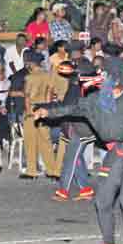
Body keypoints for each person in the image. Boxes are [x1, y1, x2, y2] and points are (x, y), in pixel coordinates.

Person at [34, 57, 123, 244]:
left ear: (117, 77)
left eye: (106, 74)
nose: (102, 78)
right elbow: (70, 108)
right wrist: (46, 111)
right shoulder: (96, 100)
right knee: (102, 200)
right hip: (114, 152)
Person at [42, 61, 96, 201]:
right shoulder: (81, 86)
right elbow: (66, 106)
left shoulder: (80, 88)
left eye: (75, 72)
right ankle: (85, 188)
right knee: (76, 157)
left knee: (70, 158)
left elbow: (68, 107)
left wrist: (49, 109)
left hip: (80, 128)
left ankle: (63, 190)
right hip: (79, 127)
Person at [21, 53, 56, 179]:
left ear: (31, 63)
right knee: (46, 142)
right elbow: (50, 94)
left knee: (30, 142)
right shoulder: (49, 76)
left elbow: (27, 97)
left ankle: (32, 171)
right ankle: (52, 171)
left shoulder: (29, 77)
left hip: (32, 109)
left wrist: (28, 113)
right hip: (44, 110)